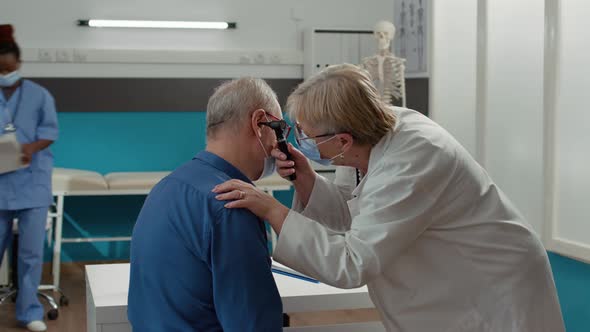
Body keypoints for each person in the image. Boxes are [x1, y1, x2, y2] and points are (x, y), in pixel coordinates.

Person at [213, 64, 566, 331]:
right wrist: (307, 180)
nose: (300, 140)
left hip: (492, 290)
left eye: (308, 134)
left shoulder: (416, 157)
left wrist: (271, 209)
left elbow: (352, 262)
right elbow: (358, 216)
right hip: (451, 279)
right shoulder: (371, 135)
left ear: (344, 139)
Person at [128, 77, 283, 331]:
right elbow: (252, 322)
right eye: (278, 130)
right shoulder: (232, 203)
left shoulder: (166, 187)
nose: (278, 145)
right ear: (258, 123)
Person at [0, 24, 59, 332]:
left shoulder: (39, 95)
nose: (4, 73)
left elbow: (50, 131)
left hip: (32, 182)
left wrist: (30, 147)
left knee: (31, 253)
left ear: (19, 64)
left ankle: (29, 312)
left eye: (8, 68)